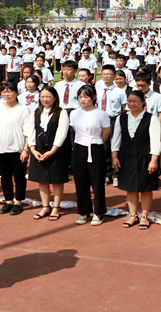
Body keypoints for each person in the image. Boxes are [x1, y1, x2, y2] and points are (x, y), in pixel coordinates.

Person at [112, 90, 161, 230]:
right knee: (130, 188)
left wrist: (154, 160)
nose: (131, 104)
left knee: (145, 188)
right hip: (125, 158)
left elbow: (155, 141)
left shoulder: (152, 119)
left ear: (143, 102)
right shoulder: (121, 118)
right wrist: (114, 157)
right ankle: (133, 215)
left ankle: (144, 216)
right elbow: (116, 139)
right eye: (129, 101)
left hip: (144, 158)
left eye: (135, 101)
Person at [0, 81, 33, 216]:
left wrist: (25, 149)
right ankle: (8, 201)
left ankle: (18, 201)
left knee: (19, 176)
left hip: (17, 148)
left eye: (10, 91)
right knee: (4, 176)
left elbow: (27, 130)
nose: (7, 94)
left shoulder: (23, 109)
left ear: (16, 93)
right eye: (4, 91)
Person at [27, 86, 70, 221]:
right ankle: (45, 207)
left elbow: (62, 133)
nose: (45, 99)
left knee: (56, 180)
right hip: (38, 150)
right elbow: (30, 131)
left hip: (55, 151)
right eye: (42, 96)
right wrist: (32, 149)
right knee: (42, 179)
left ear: (55, 98)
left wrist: (53, 150)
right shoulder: (36, 112)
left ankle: (56, 208)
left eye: (48, 96)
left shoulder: (61, 112)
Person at [71, 85, 111, 226]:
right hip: (79, 148)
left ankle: (99, 212)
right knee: (81, 181)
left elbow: (105, 133)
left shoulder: (101, 114)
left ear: (94, 97)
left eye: (86, 96)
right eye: (80, 96)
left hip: (95, 148)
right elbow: (76, 129)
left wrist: (95, 142)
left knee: (97, 181)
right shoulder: (74, 113)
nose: (83, 99)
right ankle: (84, 212)